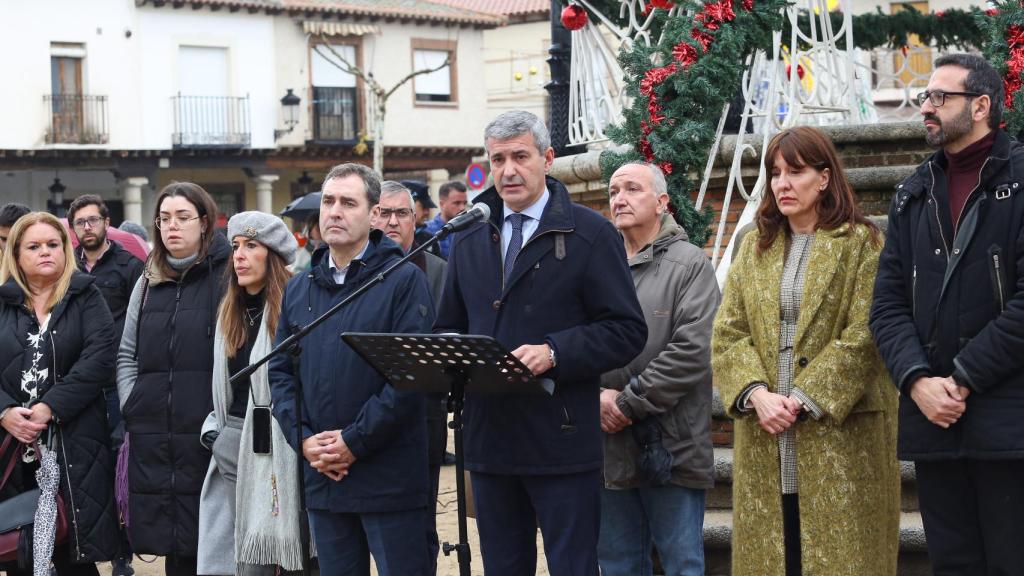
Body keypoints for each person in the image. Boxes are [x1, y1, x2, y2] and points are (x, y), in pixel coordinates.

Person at [434, 110, 647, 575]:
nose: (508, 170)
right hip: (489, 442)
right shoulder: (468, 236)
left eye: (520, 157)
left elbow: (627, 330)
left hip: (561, 441)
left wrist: (555, 351)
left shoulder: (591, 234)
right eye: (498, 160)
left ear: (547, 159)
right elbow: (450, 325)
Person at [712, 126, 899, 576]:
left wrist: (802, 397)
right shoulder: (753, 245)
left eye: (795, 172)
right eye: (775, 173)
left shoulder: (862, 242)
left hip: (841, 435)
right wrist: (757, 394)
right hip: (766, 432)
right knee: (776, 554)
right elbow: (728, 332)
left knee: (843, 557)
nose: (782, 183)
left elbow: (867, 332)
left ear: (824, 178)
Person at [870, 53, 1024, 574]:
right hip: (934, 424)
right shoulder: (913, 193)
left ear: (981, 106)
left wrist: (961, 379)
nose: (926, 107)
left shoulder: (1021, 180)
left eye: (940, 97)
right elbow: (886, 304)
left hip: (1009, 424)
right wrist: (917, 381)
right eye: (925, 97)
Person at [269, 163, 435, 576]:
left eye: (348, 202)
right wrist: (305, 441)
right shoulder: (300, 288)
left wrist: (353, 442)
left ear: (374, 214)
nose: (335, 212)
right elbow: (280, 374)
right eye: (328, 201)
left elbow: (409, 377)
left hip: (388, 478)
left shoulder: (402, 280)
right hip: (325, 478)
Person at [598, 163, 718, 576]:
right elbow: (577, 338)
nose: (620, 199)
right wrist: (594, 397)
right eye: (614, 191)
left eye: (632, 189)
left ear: (662, 202)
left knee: (681, 564)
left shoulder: (690, 264)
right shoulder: (599, 264)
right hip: (608, 448)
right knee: (618, 565)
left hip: (671, 445)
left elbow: (692, 350)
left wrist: (627, 403)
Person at [117, 182, 231, 576]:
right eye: (164, 218)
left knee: (213, 543)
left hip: (206, 432)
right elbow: (127, 352)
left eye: (183, 217)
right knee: (173, 547)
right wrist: (132, 401)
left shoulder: (227, 275)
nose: (172, 226)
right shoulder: (148, 280)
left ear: (204, 222)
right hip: (153, 432)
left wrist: (221, 416)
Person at [0, 211, 120, 575]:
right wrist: (4, 411)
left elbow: (101, 357)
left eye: (53, 244)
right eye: (34, 246)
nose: (45, 252)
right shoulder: (1, 301)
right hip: (10, 447)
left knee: (74, 554)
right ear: (16, 254)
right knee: (18, 548)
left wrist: (51, 405)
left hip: (73, 442)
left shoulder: (86, 295)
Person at [197, 212, 308, 576]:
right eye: (236, 246)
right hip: (234, 439)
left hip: (283, 439)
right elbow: (222, 384)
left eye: (251, 246)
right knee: (247, 557)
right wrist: (216, 435)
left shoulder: (294, 306)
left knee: (295, 550)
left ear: (272, 255)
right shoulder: (230, 310)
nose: (239, 256)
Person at [371, 180, 448, 573]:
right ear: (371, 216)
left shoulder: (438, 271)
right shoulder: (358, 272)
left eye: (402, 213)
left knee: (419, 526)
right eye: (384, 213)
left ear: (415, 219)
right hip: (364, 411)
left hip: (422, 414)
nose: (392, 222)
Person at [67, 194, 144, 576]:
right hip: (80, 383)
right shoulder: (67, 267)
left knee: (117, 464)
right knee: (88, 466)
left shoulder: (130, 266)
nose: (87, 227)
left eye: (93, 220)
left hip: (116, 382)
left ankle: (121, 554)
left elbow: (141, 324)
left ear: (106, 222)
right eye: (80, 222)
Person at [424, 181, 468, 259]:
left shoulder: (469, 229)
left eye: (464, 203)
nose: (462, 208)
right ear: (442, 204)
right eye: (457, 203)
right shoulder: (426, 231)